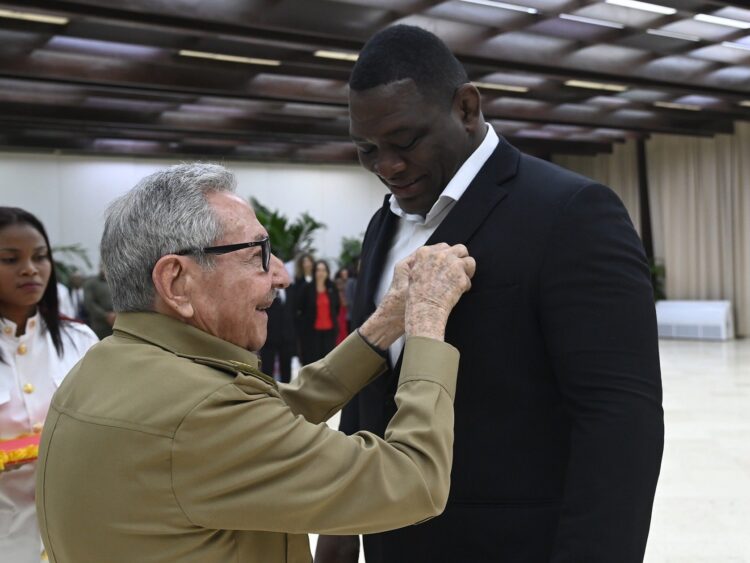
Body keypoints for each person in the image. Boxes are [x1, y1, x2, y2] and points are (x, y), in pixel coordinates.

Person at [316, 25, 663, 563]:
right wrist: (339, 531)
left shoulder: (571, 213)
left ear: (467, 107)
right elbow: (372, 391)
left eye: (405, 142)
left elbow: (620, 423)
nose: (388, 167)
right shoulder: (382, 225)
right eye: (367, 150)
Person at [35, 163, 476, 563]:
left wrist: (383, 326)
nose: (281, 275)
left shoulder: (106, 366)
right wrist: (427, 319)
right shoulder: (202, 413)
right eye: (258, 255)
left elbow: (269, 413)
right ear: (176, 281)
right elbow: (412, 480)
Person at [0, 207, 97, 563]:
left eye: (40, 257)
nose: (30, 269)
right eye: (10, 259)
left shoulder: (80, 339)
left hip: (71, 532)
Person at [299, 260, 339, 363]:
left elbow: (336, 307)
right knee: (313, 361)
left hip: (329, 331)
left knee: (328, 362)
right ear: (314, 272)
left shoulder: (332, 287)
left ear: (327, 272)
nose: (321, 273)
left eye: (323, 270)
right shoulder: (307, 288)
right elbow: (301, 308)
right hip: (312, 332)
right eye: (318, 270)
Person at [258, 287, 296, 383]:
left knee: (286, 370)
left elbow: (293, 312)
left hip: (287, 337)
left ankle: (285, 395)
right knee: (267, 371)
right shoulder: (265, 290)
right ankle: (267, 394)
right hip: (268, 337)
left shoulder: (290, 290)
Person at [83, 268, 114, 339]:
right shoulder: (91, 283)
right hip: (99, 324)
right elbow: (89, 303)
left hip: (116, 323)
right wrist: (106, 315)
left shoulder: (117, 281)